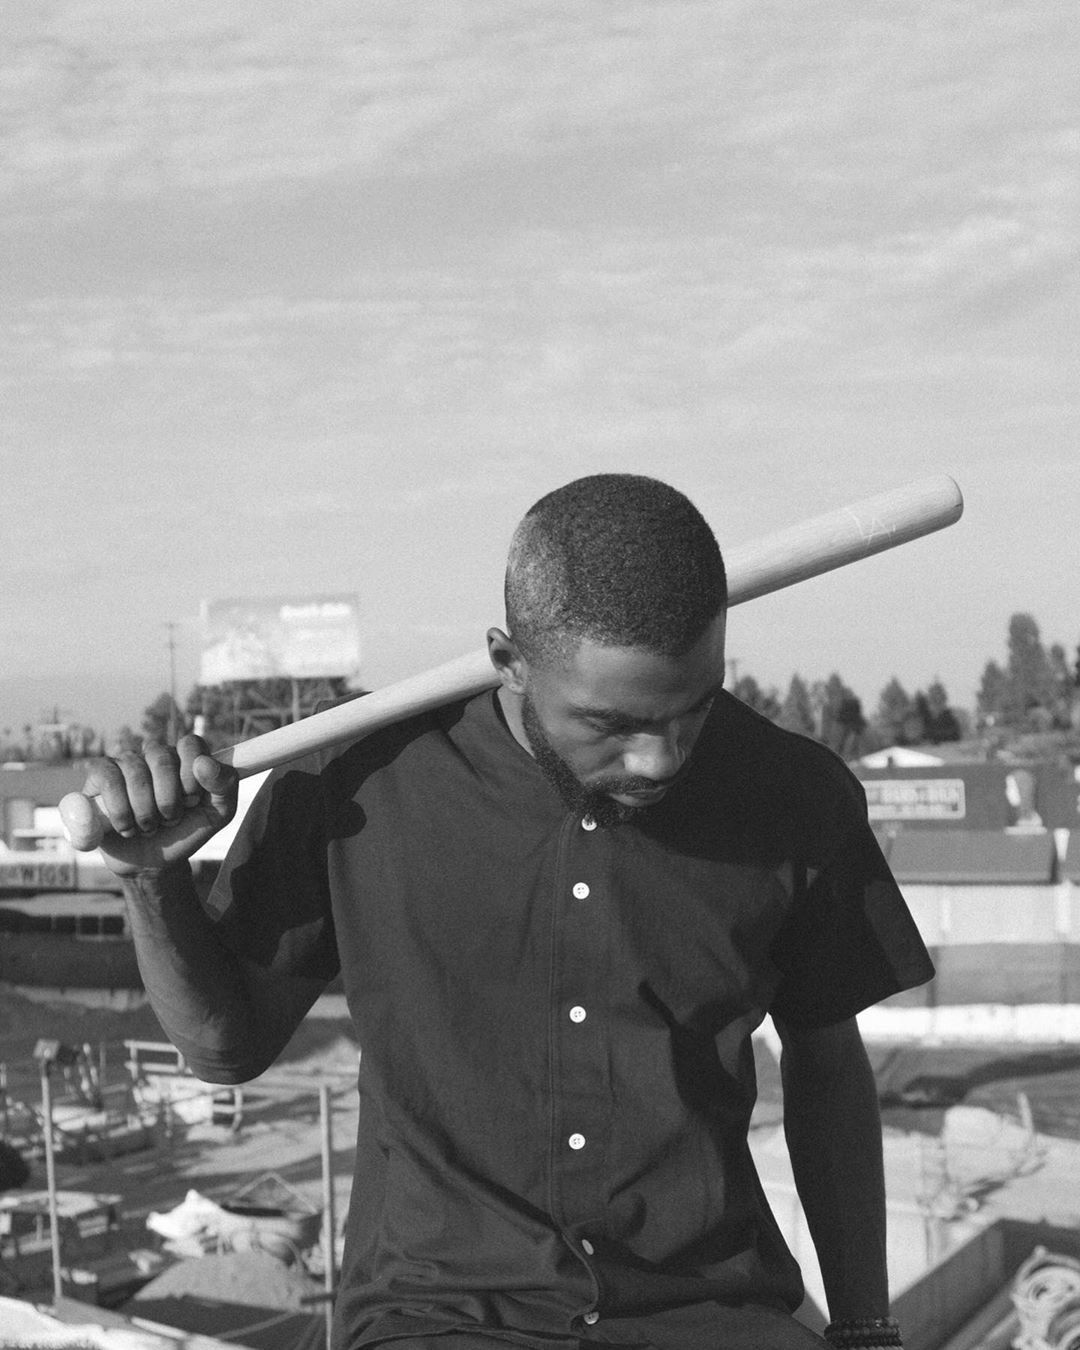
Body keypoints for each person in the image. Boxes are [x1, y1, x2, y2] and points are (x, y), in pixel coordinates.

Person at [64, 475, 932, 1350]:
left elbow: (828, 1066)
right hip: (438, 1314)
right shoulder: (356, 778)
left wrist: (865, 1329)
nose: (661, 758)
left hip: (710, 1315)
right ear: (509, 662)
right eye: (612, 724)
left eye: (693, 708)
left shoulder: (792, 794)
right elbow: (224, 1049)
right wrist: (150, 882)